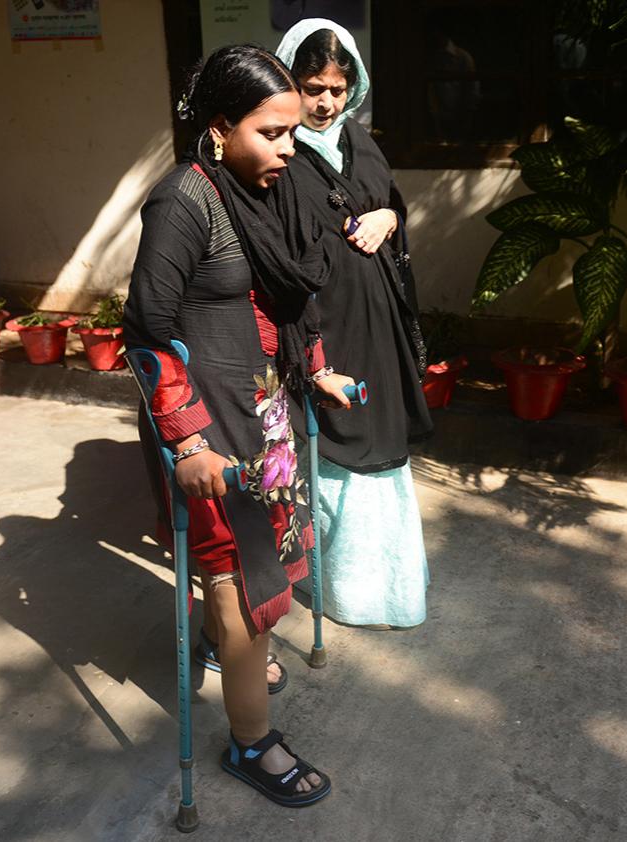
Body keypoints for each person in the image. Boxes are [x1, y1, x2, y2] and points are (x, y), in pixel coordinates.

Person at [122, 44, 353, 808]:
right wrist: (184, 439)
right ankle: (252, 743)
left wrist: (315, 368)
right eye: (271, 132)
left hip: (267, 406)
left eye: (293, 131)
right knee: (237, 574)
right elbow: (148, 334)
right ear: (220, 127)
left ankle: (232, 651)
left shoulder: (264, 189)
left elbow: (287, 297)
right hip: (213, 425)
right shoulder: (182, 202)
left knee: (269, 553)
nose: (289, 147)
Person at [275, 20, 433, 629]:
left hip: (376, 322)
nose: (325, 103)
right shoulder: (279, 150)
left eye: (339, 89)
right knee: (331, 440)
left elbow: (390, 202)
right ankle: (335, 589)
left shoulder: (361, 143)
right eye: (313, 87)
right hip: (321, 324)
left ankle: (388, 589)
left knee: (381, 443)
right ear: (289, 82)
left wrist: (389, 222)